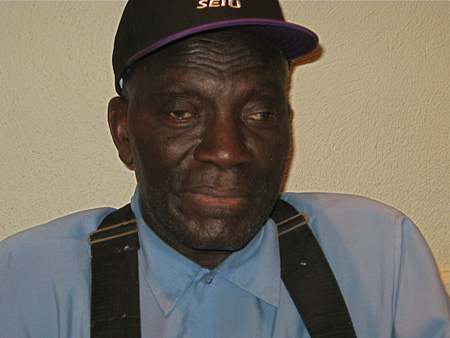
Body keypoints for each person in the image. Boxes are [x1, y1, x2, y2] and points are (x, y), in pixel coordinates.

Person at [1, 0, 449, 337]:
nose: (227, 151)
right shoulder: (27, 283)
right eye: (182, 112)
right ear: (123, 132)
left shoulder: (383, 257)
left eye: (259, 114)